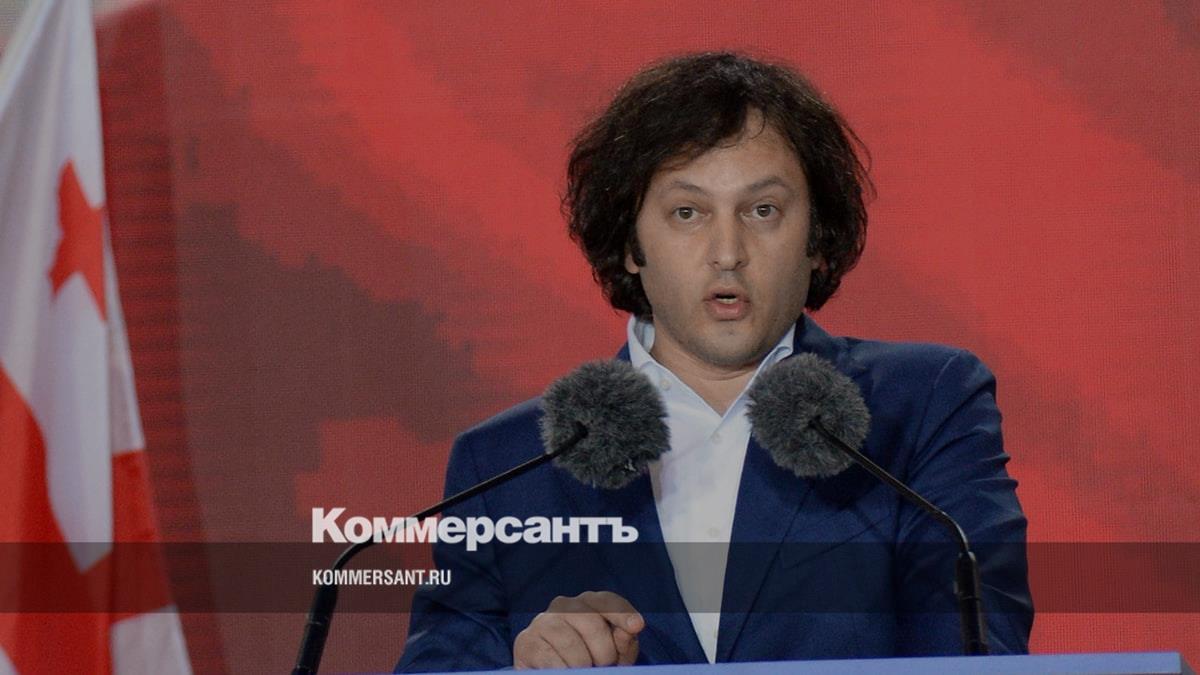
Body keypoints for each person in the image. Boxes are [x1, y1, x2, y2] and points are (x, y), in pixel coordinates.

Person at [396, 52, 1032, 671]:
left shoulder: (923, 406)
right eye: (687, 212)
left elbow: (977, 654)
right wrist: (523, 669)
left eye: (763, 210)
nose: (727, 251)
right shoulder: (505, 466)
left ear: (816, 240)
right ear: (631, 246)